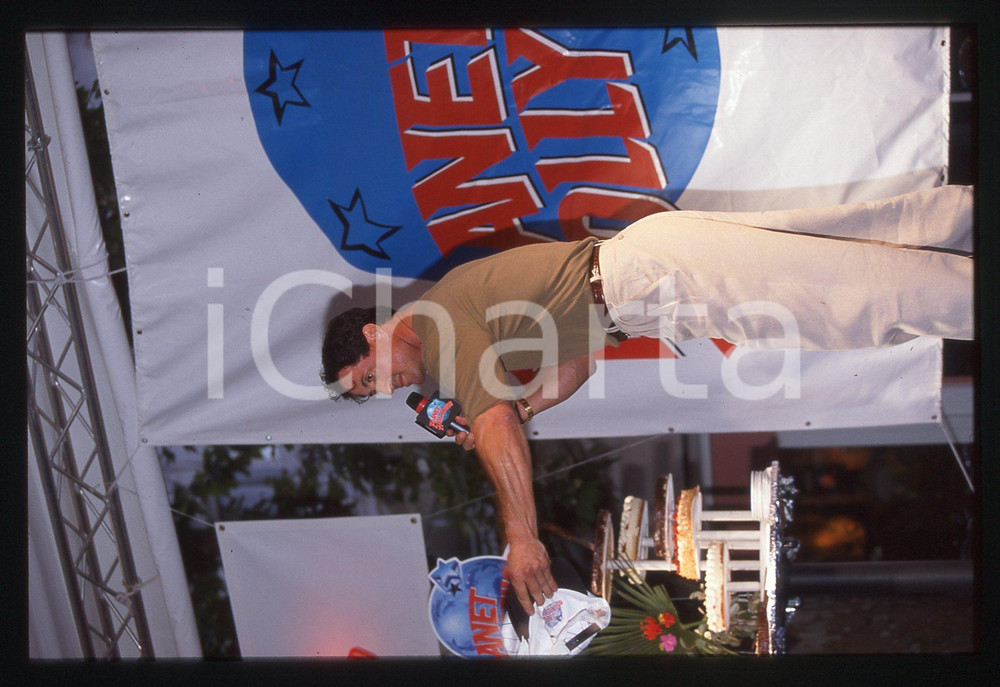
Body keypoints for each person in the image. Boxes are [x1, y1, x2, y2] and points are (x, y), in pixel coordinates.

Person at [319, 184, 973, 615]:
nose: (387, 387)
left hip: (653, 278)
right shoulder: (452, 315)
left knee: (864, 294)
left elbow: (489, 424)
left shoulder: (431, 325)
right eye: (371, 392)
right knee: (855, 254)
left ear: (375, 332)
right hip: (652, 287)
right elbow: (573, 365)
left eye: (369, 375)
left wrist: (520, 533)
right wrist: (522, 409)